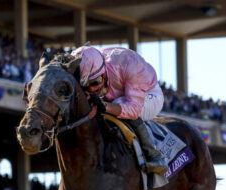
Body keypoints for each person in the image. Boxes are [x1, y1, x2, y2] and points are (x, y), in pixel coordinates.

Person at [71, 45, 169, 175]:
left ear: (104, 70)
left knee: (117, 104)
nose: (93, 89)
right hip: (120, 94)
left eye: (96, 82)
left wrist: (105, 106)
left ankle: (154, 155)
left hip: (149, 94)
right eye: (87, 86)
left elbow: (133, 110)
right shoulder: (91, 63)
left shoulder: (128, 64)